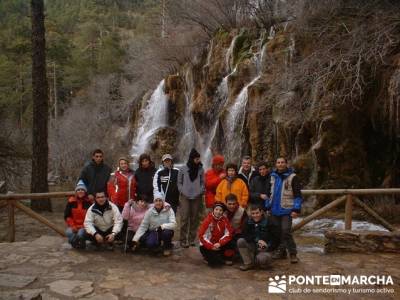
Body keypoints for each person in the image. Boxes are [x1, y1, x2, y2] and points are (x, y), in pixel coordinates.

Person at [266, 157, 302, 263]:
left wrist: (296, 209)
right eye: (278, 162)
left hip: (287, 209)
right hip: (274, 210)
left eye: (282, 162)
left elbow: (298, 195)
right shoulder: (272, 176)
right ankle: (281, 252)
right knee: (277, 232)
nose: (280, 164)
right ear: (276, 164)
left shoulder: (293, 177)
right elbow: (269, 193)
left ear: (286, 164)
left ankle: (293, 254)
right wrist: (267, 206)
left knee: (286, 231)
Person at [131, 191, 177, 256]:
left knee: (167, 233)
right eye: (156, 201)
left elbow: (174, 224)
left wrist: (162, 226)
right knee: (150, 244)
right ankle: (157, 246)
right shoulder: (149, 212)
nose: (158, 203)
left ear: (163, 201)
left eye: (160, 200)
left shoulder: (169, 209)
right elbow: (143, 226)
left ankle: (167, 247)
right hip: (154, 231)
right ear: (154, 202)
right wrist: (135, 239)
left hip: (165, 231)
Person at [178, 148, 205, 248]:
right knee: (184, 218)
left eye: (199, 159)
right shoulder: (183, 169)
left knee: (194, 218)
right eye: (196, 159)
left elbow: (203, 182)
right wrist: (182, 191)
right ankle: (183, 240)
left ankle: (192, 239)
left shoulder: (200, 169)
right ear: (192, 159)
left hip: (197, 197)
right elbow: (179, 182)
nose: (198, 160)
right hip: (185, 196)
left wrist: (200, 191)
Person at [237, 205, 278, 271]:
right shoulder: (247, 221)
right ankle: (248, 263)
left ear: (261, 212)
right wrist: (257, 240)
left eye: (257, 213)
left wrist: (267, 245)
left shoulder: (269, 221)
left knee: (261, 260)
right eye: (253, 213)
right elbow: (245, 235)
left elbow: (276, 238)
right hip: (253, 245)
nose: (255, 215)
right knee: (240, 241)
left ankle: (263, 262)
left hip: (266, 248)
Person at [198, 202, 233, 267]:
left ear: (223, 212)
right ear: (213, 210)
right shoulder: (208, 220)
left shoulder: (225, 220)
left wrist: (220, 243)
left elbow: (229, 234)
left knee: (231, 243)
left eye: (220, 210)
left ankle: (222, 257)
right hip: (208, 245)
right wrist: (211, 246)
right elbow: (201, 236)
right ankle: (214, 258)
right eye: (216, 209)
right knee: (216, 264)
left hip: (219, 244)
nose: (218, 212)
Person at [64, 180, 92, 249]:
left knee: (80, 234)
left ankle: (81, 243)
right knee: (68, 233)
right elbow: (67, 216)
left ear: (85, 191)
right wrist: (73, 226)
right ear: (76, 192)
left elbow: (91, 218)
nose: (80, 191)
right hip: (74, 225)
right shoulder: (71, 201)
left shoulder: (89, 202)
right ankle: (76, 244)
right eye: (78, 190)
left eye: (82, 190)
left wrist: (83, 226)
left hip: (84, 226)